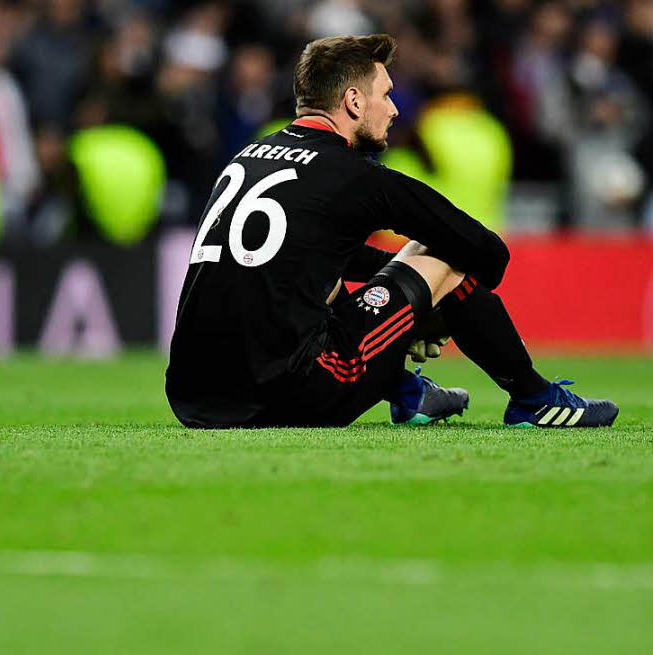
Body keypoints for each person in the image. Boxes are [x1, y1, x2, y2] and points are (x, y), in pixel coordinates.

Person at [165, 34, 618, 429]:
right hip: (290, 394)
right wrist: (425, 302)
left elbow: (308, 252)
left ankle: (405, 392)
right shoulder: (356, 176)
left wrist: (402, 292)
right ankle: (535, 399)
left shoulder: (248, 155)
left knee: (316, 277)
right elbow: (487, 252)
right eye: (386, 94)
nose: (395, 108)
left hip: (191, 392)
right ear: (354, 102)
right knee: (444, 254)